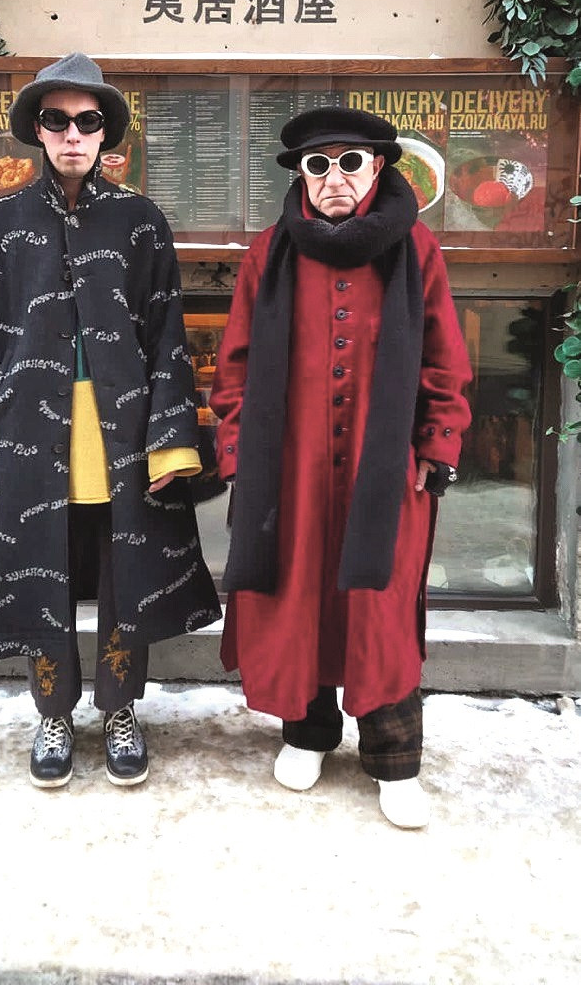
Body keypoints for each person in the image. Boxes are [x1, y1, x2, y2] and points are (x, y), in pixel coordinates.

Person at [0, 52, 220, 789]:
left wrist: (171, 441)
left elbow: (166, 336)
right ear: (37, 129)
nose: (73, 134)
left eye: (88, 121)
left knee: (129, 574)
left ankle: (121, 708)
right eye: (57, 120)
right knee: (44, 571)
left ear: (105, 133)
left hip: (122, 434)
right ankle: (53, 713)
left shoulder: (140, 222)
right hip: (31, 434)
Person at [210, 107, 471, 828]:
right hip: (289, 470)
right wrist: (237, 454)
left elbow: (445, 359)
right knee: (298, 596)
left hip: (384, 468)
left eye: (349, 162)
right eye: (317, 164)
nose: (333, 178)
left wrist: (435, 446)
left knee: (379, 605)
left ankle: (394, 757)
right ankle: (308, 733)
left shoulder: (417, 250)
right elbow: (235, 366)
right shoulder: (270, 253)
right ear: (301, 174)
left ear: (377, 167)